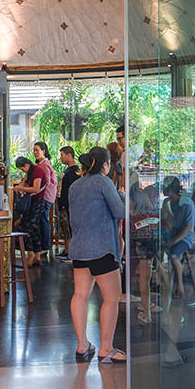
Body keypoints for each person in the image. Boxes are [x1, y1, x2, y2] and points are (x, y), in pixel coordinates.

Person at [68, 146, 126, 364]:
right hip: (102, 249)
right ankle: (106, 349)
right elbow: (119, 212)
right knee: (111, 298)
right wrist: (121, 196)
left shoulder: (75, 186)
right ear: (105, 164)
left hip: (79, 248)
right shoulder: (104, 182)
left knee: (80, 295)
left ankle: (82, 345)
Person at [13, 141, 56, 267]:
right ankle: (37, 254)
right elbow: (26, 180)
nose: (35, 152)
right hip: (37, 200)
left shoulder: (40, 169)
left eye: (37, 150)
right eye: (34, 150)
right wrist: (23, 184)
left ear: (44, 151)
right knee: (35, 227)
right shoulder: (34, 168)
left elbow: (38, 187)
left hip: (41, 200)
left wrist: (22, 189)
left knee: (28, 227)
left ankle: (35, 252)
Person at [130, 181, 161, 323]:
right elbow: (152, 210)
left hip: (137, 237)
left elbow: (130, 214)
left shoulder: (131, 197)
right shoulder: (143, 196)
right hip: (149, 237)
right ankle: (146, 306)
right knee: (147, 275)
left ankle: (146, 310)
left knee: (144, 276)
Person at [162, 176, 195, 299]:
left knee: (174, 256)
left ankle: (180, 286)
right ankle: (164, 281)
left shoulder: (187, 203)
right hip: (172, 234)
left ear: (171, 189)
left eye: (165, 187)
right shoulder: (168, 202)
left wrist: (175, 240)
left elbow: (189, 227)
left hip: (185, 237)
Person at [56, 146, 80, 260]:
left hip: (69, 205)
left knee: (69, 228)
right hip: (63, 203)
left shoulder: (74, 172)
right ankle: (66, 249)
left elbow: (72, 191)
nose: (60, 157)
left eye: (62, 155)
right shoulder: (67, 171)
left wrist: (70, 204)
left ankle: (71, 251)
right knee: (64, 228)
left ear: (69, 155)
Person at [12, 156, 34, 227]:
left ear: (26, 165)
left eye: (22, 169)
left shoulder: (35, 171)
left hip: (32, 198)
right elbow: (24, 180)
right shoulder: (28, 173)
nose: (22, 171)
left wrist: (21, 188)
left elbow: (35, 189)